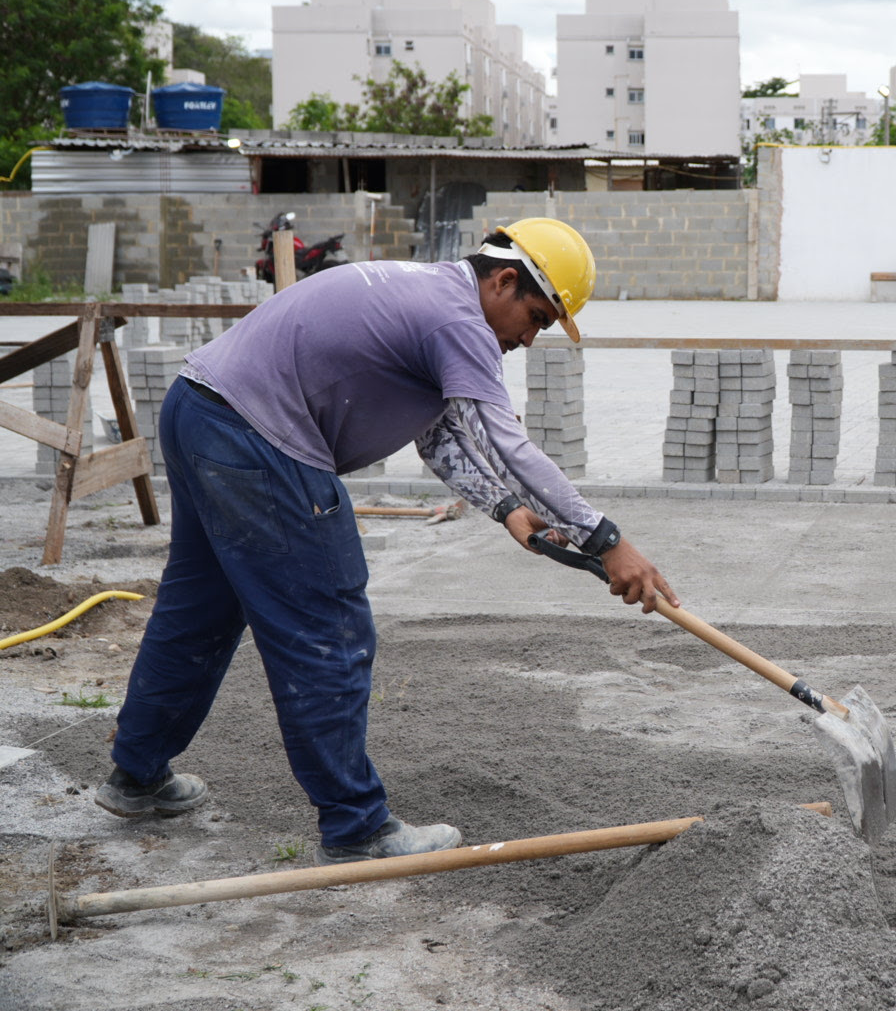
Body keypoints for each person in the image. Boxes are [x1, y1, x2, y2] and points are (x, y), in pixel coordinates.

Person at [94, 219, 678, 865]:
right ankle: (357, 828)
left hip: (199, 408)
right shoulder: (459, 322)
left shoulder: (432, 298)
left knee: (201, 606)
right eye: (535, 318)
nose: (529, 339)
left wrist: (509, 511)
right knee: (330, 624)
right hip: (258, 438)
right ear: (505, 281)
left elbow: (440, 435)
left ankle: (136, 774)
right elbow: (510, 444)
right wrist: (607, 539)